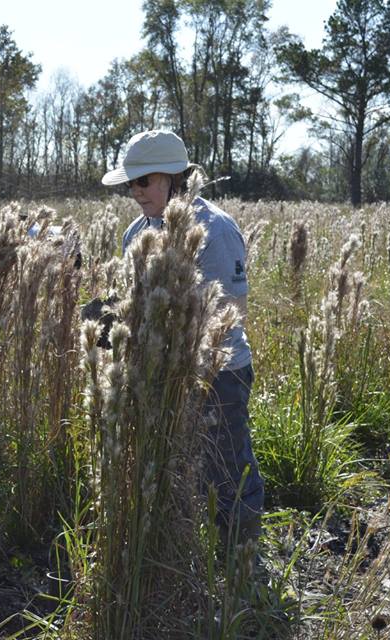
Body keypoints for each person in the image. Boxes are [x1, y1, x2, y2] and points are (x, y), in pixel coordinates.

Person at [102, 129, 264, 545]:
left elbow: (230, 313)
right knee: (179, 467)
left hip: (217, 372)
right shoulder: (136, 231)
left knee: (225, 467)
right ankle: (190, 551)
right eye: (130, 183)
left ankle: (240, 561)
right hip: (160, 369)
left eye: (143, 181)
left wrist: (173, 333)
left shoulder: (214, 229)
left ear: (174, 178)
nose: (135, 192)